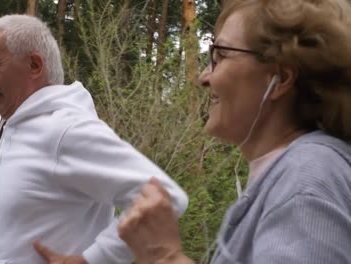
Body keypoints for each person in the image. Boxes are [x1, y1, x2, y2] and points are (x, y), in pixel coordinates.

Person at [117, 0, 351, 263]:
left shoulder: (307, 178)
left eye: (221, 55)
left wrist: (165, 256)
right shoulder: (292, 175)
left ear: (281, 79)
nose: (203, 78)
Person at [0, 14, 188, 264]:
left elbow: (166, 196)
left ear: (34, 65)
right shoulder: (14, 128)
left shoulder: (63, 129)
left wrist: (94, 259)